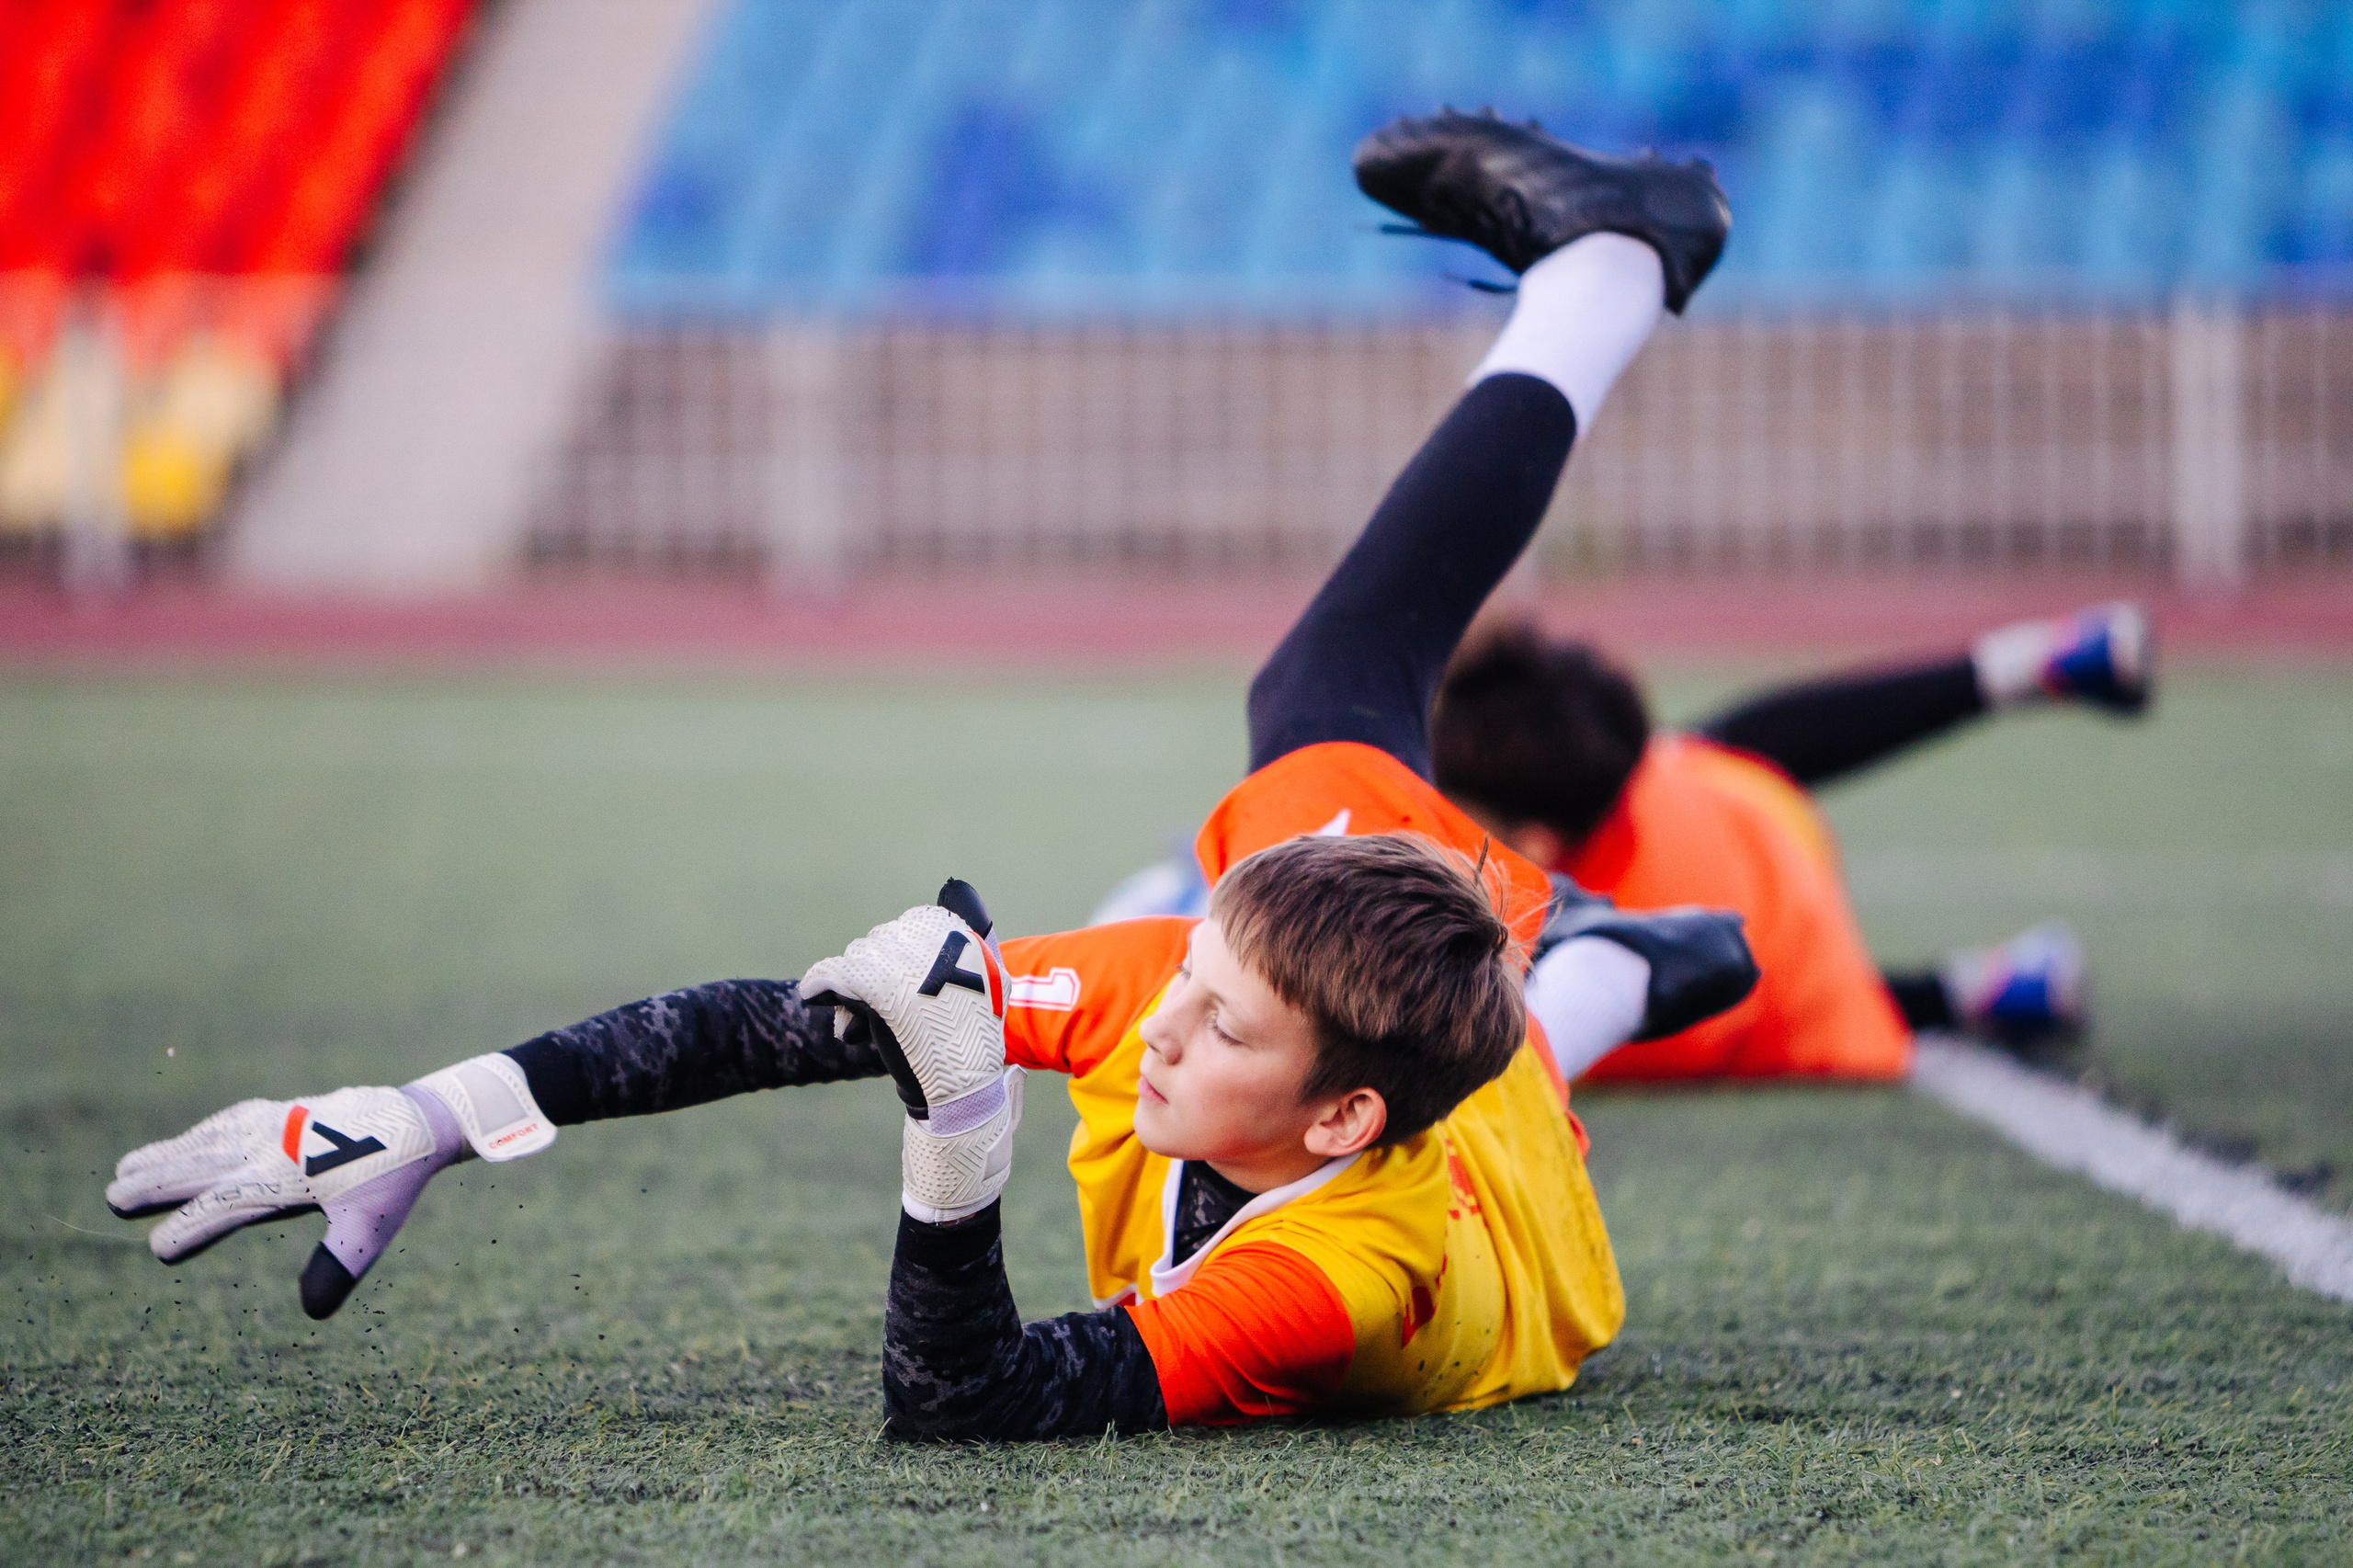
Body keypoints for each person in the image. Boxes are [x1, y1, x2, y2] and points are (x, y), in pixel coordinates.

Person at [105, 111, 1753, 1437]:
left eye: (1219, 1019)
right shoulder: (1188, 990)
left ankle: (1615, 930)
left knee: (1536, 999)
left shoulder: (1332, 1285)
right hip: (1436, 1081)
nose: (1157, 1021)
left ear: (1334, 1113)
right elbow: (789, 1023)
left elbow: (968, 1401)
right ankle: (1607, 284)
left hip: (1507, 1217)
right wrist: (430, 1115)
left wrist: (961, 1129)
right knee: (1346, 735)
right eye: (1193, 974)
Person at [1427, 607, 2149, 1083]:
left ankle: (1983, 990)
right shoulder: (1634, 775)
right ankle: (2024, 665)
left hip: (1774, 972)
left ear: (1537, 843)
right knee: (1708, 745)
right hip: (1747, 813)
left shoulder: (1575, 931)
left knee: (1790, 1017)